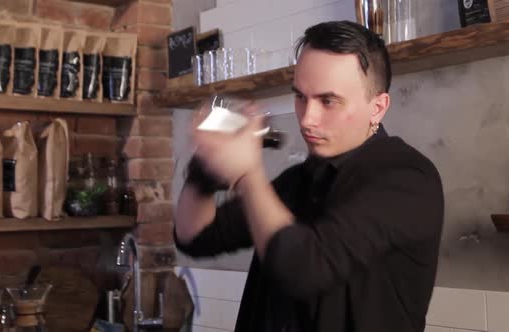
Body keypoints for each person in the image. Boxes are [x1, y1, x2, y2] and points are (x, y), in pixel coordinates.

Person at [174, 20, 444, 332]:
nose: (307, 119)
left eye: (328, 101)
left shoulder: (408, 179)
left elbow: (303, 268)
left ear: (378, 107)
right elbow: (194, 237)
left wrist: (248, 174)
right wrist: (205, 170)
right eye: (301, 97)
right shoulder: (297, 181)